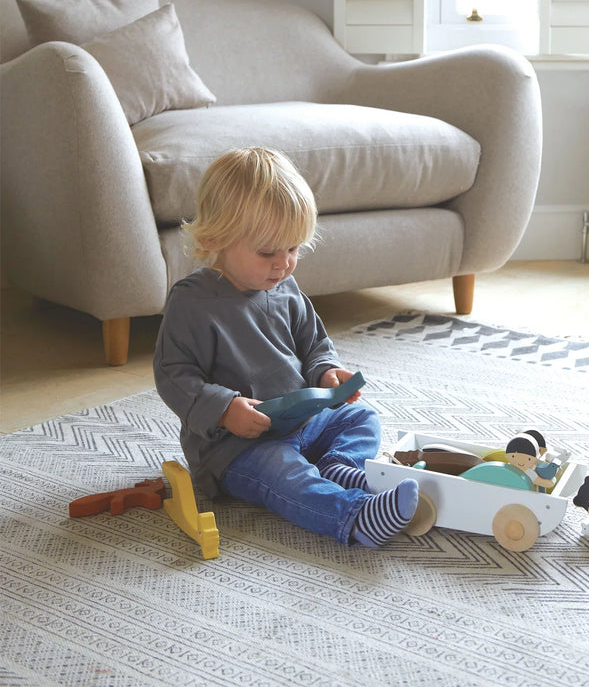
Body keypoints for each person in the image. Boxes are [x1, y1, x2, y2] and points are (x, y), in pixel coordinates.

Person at [153, 146, 419, 547]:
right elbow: (173, 375)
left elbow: (314, 345)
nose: (284, 264)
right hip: (236, 448)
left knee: (362, 418)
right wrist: (224, 410)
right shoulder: (192, 302)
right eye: (267, 252)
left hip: (300, 421)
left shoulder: (285, 288)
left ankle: (338, 467)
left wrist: (326, 373)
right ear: (214, 238)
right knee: (284, 473)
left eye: (294, 248)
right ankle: (353, 517)